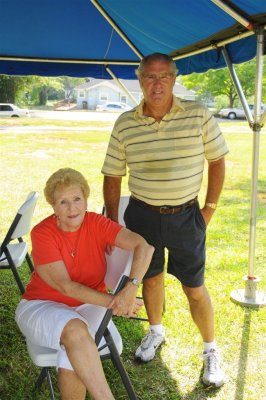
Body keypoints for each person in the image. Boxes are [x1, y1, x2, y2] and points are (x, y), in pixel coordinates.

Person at [101, 53, 229, 387]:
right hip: (142, 215)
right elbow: (112, 176)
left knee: (194, 288)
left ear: (173, 79)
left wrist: (209, 208)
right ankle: (155, 332)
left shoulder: (197, 114)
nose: (156, 85)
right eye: (149, 77)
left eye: (163, 77)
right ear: (140, 80)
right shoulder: (125, 123)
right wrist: (112, 223)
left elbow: (217, 160)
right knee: (151, 278)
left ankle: (210, 350)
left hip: (187, 216)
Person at [15, 167, 154, 400]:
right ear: (53, 206)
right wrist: (116, 302)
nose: (72, 208)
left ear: (86, 199)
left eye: (77, 199)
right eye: (63, 202)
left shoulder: (97, 223)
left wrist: (131, 288)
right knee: (76, 332)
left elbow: (145, 247)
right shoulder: (42, 233)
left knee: (75, 354)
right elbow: (66, 287)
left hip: (89, 305)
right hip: (41, 305)